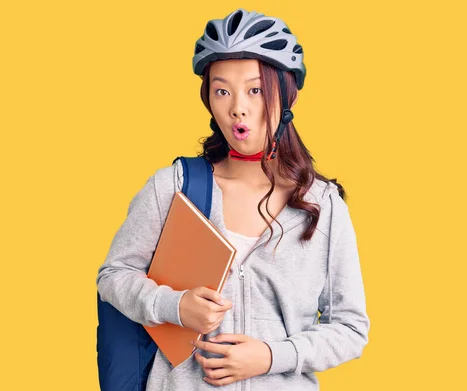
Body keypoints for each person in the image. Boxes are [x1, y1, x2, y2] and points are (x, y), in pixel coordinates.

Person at [96, 8, 370, 390]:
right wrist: (173, 306)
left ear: (286, 95)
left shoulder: (323, 206)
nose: (237, 107)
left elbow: (351, 328)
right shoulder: (173, 187)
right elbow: (113, 277)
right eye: (222, 90)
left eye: (255, 90)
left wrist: (271, 356)